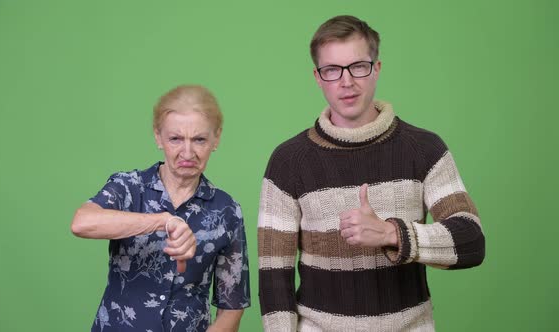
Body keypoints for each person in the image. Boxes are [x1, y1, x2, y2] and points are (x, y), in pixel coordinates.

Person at [257, 15, 485, 331]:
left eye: (358, 67)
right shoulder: (288, 161)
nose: (346, 81)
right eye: (332, 70)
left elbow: (471, 242)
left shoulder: (424, 149)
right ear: (318, 77)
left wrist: (392, 234)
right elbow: (273, 276)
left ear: (376, 69)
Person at [72, 85, 250, 332]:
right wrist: (162, 220)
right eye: (175, 138)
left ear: (216, 138)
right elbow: (82, 222)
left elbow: (232, 306)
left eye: (199, 139)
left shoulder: (227, 211)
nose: (187, 153)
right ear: (158, 137)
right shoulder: (128, 187)